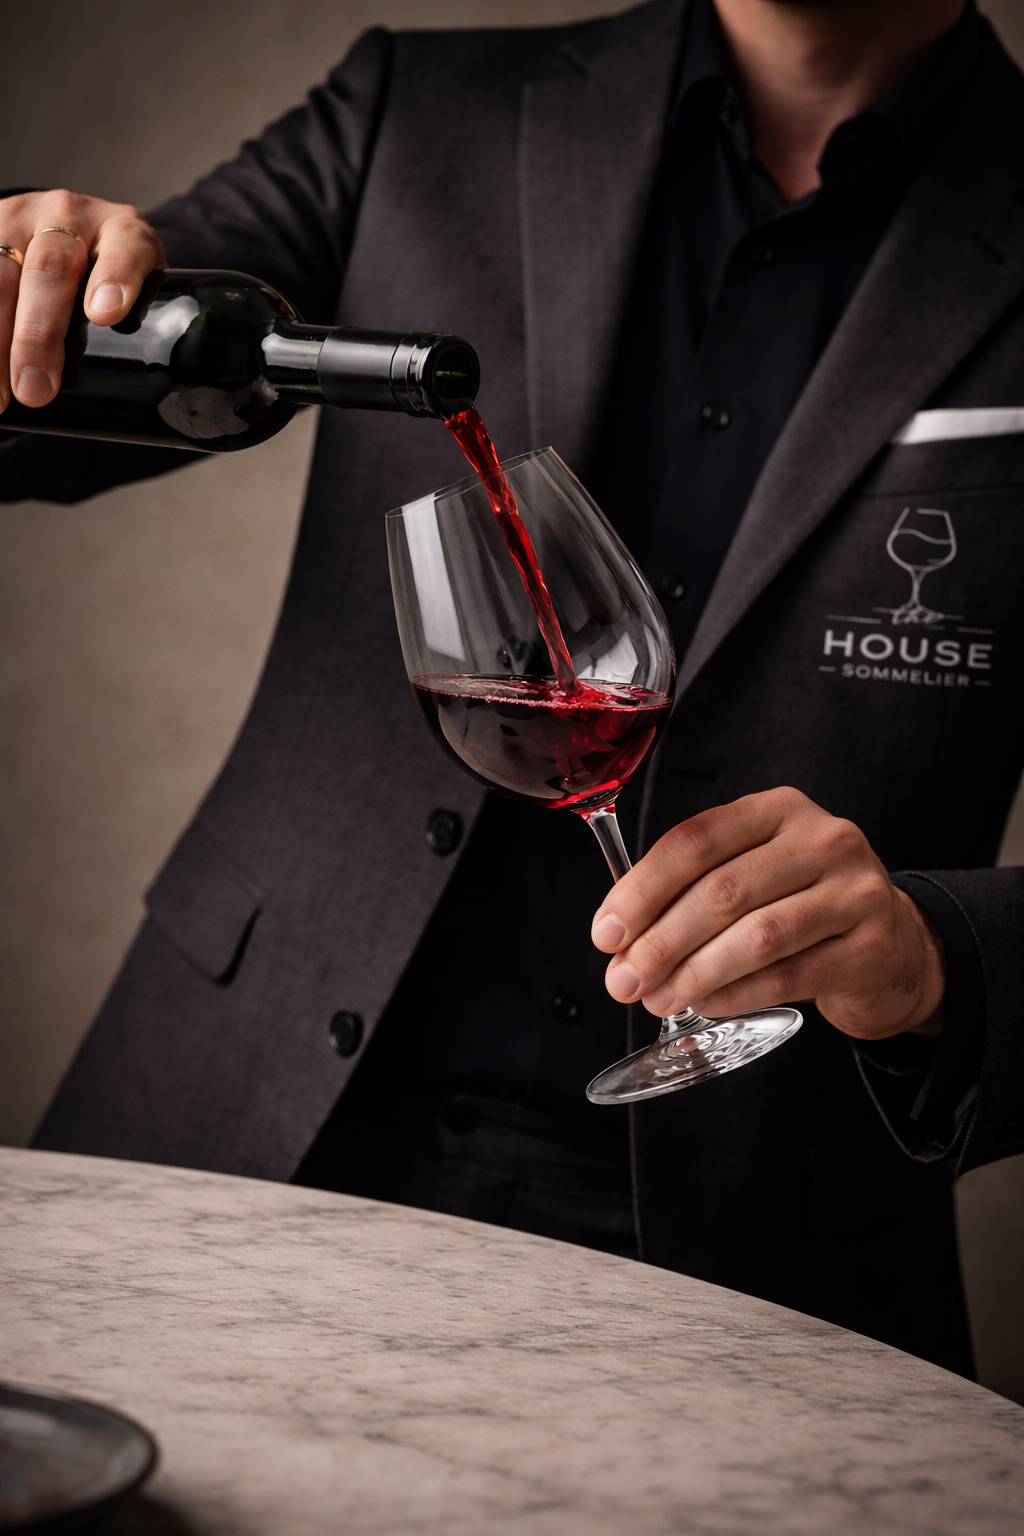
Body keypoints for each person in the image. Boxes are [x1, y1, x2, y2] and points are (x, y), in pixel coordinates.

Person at [3, 0, 1022, 1378]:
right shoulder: (415, 107)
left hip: (760, 1244)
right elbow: (67, 396)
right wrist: (33, 284)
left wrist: (934, 953)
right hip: (242, 1120)